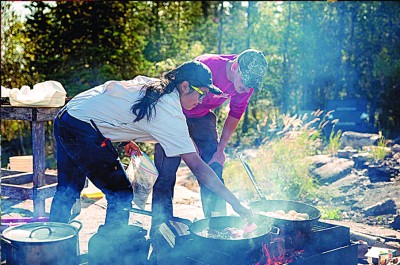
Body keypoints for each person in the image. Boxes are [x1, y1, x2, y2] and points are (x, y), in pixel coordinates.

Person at [49, 60, 252, 228]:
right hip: (80, 127)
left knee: (68, 188)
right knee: (120, 192)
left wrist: (125, 137)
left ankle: (52, 246)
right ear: (185, 86)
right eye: (201, 93)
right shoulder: (170, 111)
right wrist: (237, 205)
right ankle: (112, 255)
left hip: (68, 115)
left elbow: (117, 102)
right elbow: (199, 168)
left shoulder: (158, 87)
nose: (201, 100)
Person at [151, 49, 267, 226]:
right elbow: (179, 92)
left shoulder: (247, 86)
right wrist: (185, 141)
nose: (247, 88)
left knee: (213, 167)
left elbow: (235, 114)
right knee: (165, 173)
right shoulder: (209, 65)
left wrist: (221, 149)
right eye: (245, 81)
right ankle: (161, 227)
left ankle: (218, 226)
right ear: (235, 67)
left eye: (251, 85)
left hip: (202, 117)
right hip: (174, 112)